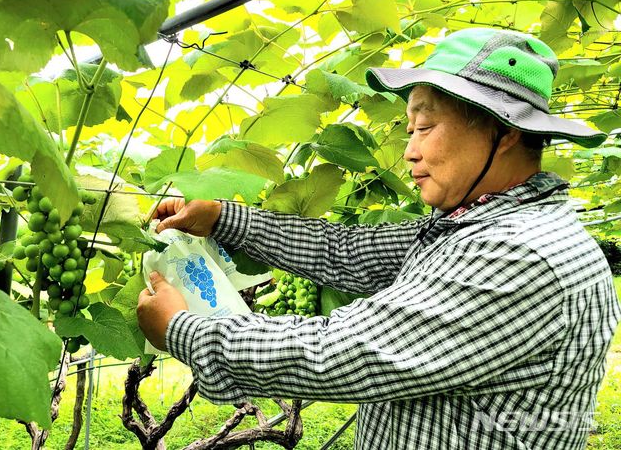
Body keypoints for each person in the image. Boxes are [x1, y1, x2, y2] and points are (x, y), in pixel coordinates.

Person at [137, 28, 621, 449]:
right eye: (410, 129)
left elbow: (341, 352)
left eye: (426, 127)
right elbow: (347, 252)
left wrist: (186, 330)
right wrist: (224, 219)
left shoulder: (518, 254)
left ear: (502, 130)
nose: (410, 151)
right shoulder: (474, 226)